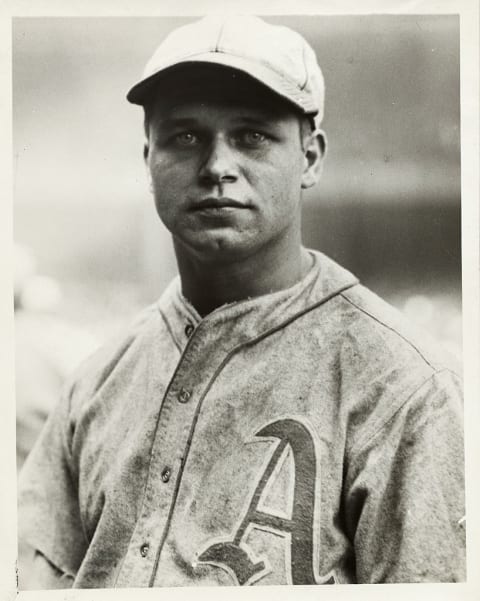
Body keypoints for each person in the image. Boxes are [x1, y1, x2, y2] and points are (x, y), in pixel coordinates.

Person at [18, 15, 465, 588]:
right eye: (185, 137)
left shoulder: (407, 387)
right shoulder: (97, 380)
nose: (217, 167)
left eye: (252, 135)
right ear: (147, 160)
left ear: (310, 158)